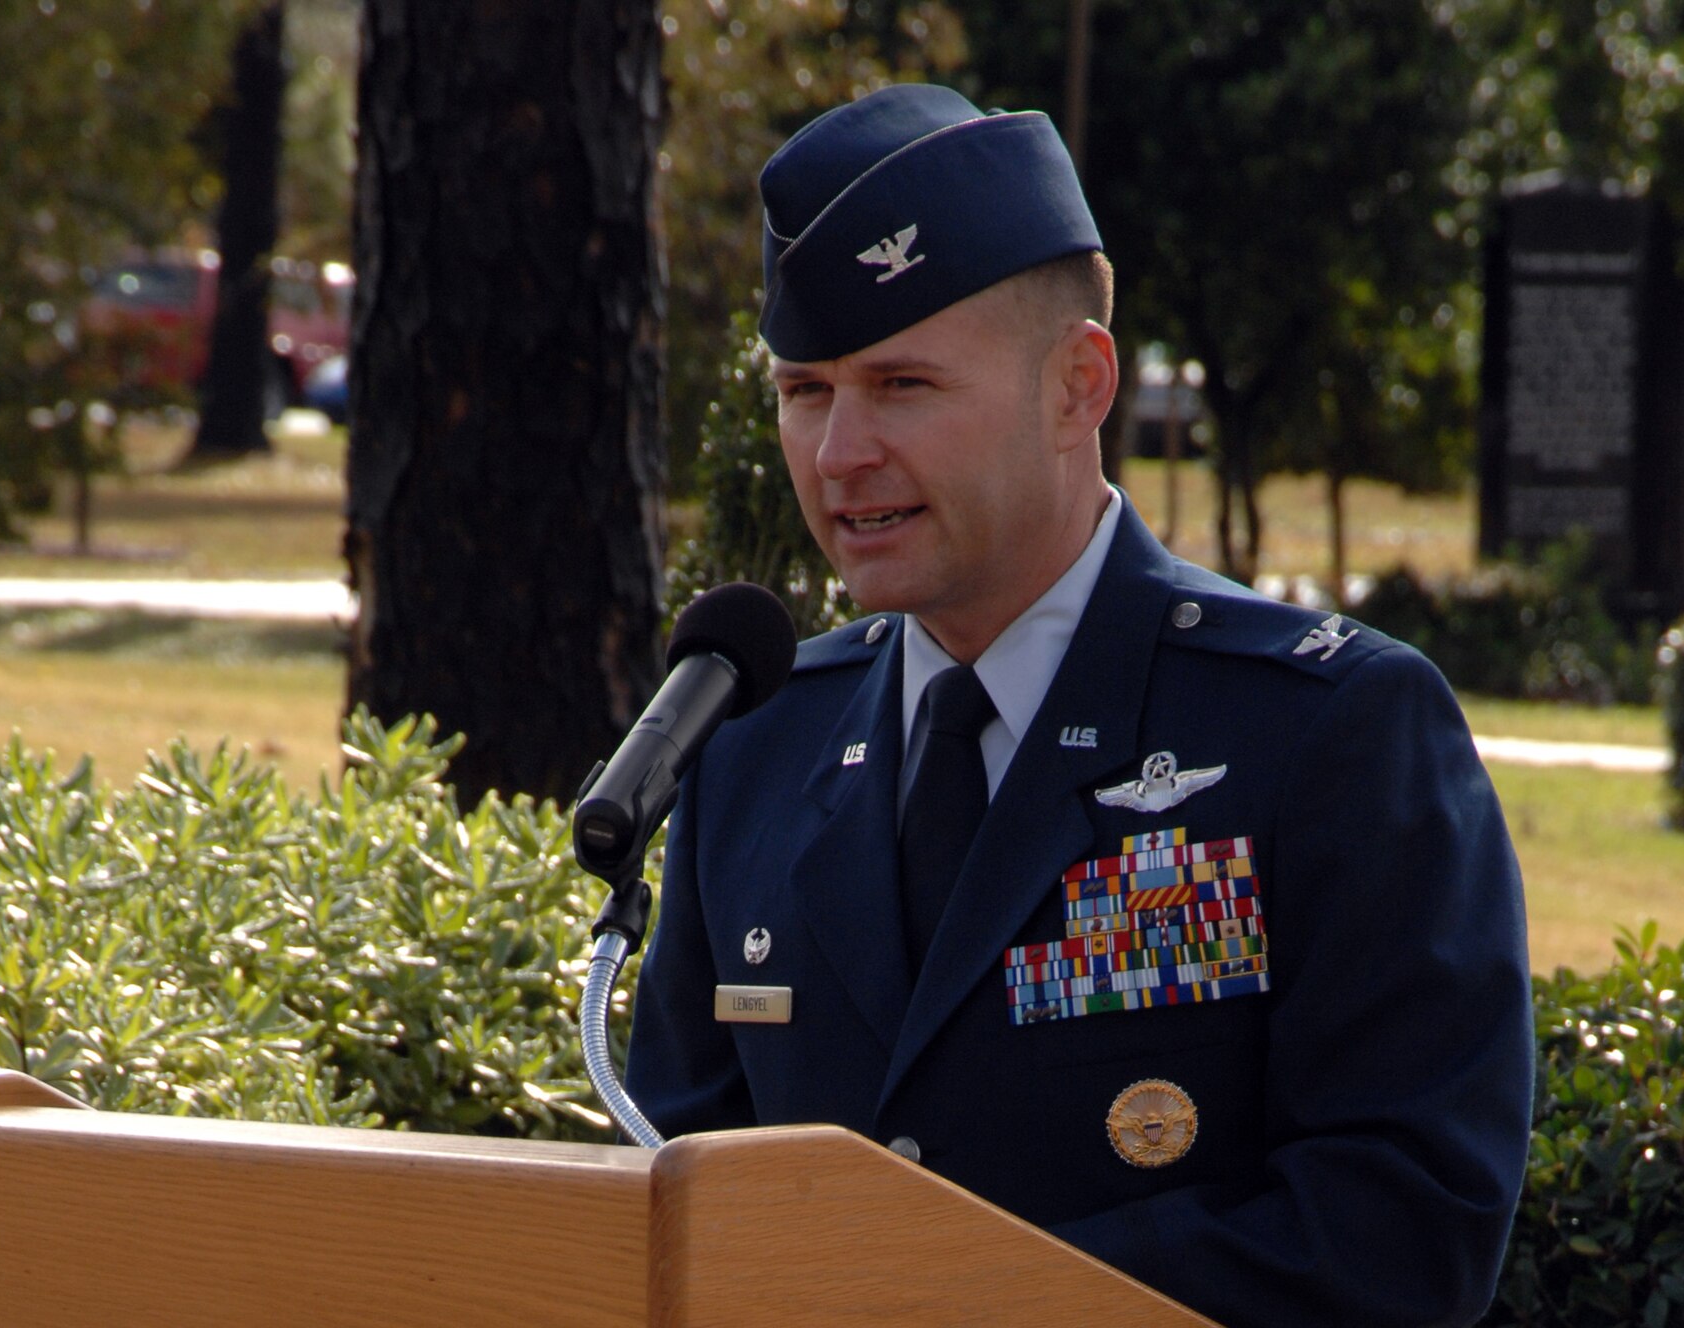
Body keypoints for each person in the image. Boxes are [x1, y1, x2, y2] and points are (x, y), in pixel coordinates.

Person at [627, 83, 1533, 1327]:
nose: (838, 454)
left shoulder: (1322, 729)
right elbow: (673, 1194)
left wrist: (947, 1303)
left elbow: (1401, 1228)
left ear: (1078, 385)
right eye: (803, 391)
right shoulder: (756, 742)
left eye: (901, 387)